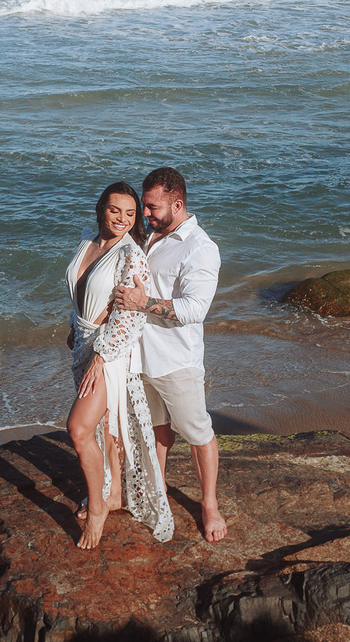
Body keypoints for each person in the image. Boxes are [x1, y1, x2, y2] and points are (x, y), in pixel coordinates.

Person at [111, 167, 226, 542]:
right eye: (144, 207)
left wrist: (144, 303)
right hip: (139, 357)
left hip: (177, 361)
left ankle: (209, 504)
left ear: (178, 204)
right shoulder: (152, 235)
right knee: (155, 429)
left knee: (197, 432)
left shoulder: (200, 248)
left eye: (152, 207)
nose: (145, 214)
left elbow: (195, 309)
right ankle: (156, 493)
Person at [65, 182, 175, 549]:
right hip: (82, 343)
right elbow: (80, 292)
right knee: (105, 429)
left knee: (79, 429)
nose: (123, 220)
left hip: (108, 355)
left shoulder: (131, 255)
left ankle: (97, 509)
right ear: (101, 209)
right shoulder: (88, 242)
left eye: (131, 214)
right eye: (116, 211)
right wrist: (74, 331)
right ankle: (112, 495)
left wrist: (100, 356)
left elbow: (129, 317)